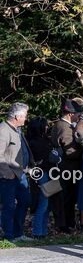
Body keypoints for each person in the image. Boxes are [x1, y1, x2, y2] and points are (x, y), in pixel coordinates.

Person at [0, 103, 32, 242]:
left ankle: (18, 233)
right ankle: (8, 235)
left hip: (20, 174)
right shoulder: (3, 130)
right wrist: (8, 173)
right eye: (24, 116)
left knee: (25, 202)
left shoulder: (17, 130)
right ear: (17, 116)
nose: (26, 118)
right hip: (8, 176)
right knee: (9, 206)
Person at [49, 98, 82, 234]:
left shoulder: (59, 124)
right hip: (67, 169)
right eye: (77, 114)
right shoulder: (65, 127)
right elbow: (70, 152)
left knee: (63, 198)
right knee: (66, 199)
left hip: (61, 168)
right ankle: (66, 225)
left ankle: (65, 224)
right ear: (70, 114)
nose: (78, 116)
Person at [25, 117, 55, 238]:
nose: (47, 127)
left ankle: (43, 230)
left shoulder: (35, 141)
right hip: (43, 173)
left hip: (48, 173)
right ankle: (38, 231)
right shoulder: (37, 142)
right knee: (43, 203)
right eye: (45, 125)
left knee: (47, 204)